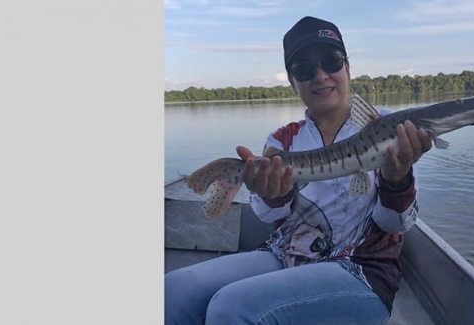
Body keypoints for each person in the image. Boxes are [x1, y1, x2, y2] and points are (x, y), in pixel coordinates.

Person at [165, 15, 433, 325]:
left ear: (347, 68)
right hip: (286, 256)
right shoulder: (282, 140)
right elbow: (266, 215)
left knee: (231, 308)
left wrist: (397, 179)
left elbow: (396, 223)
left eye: (331, 61)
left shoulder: (390, 127)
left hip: (362, 271)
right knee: (174, 289)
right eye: (304, 69)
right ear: (293, 82)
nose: (320, 75)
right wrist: (273, 195)